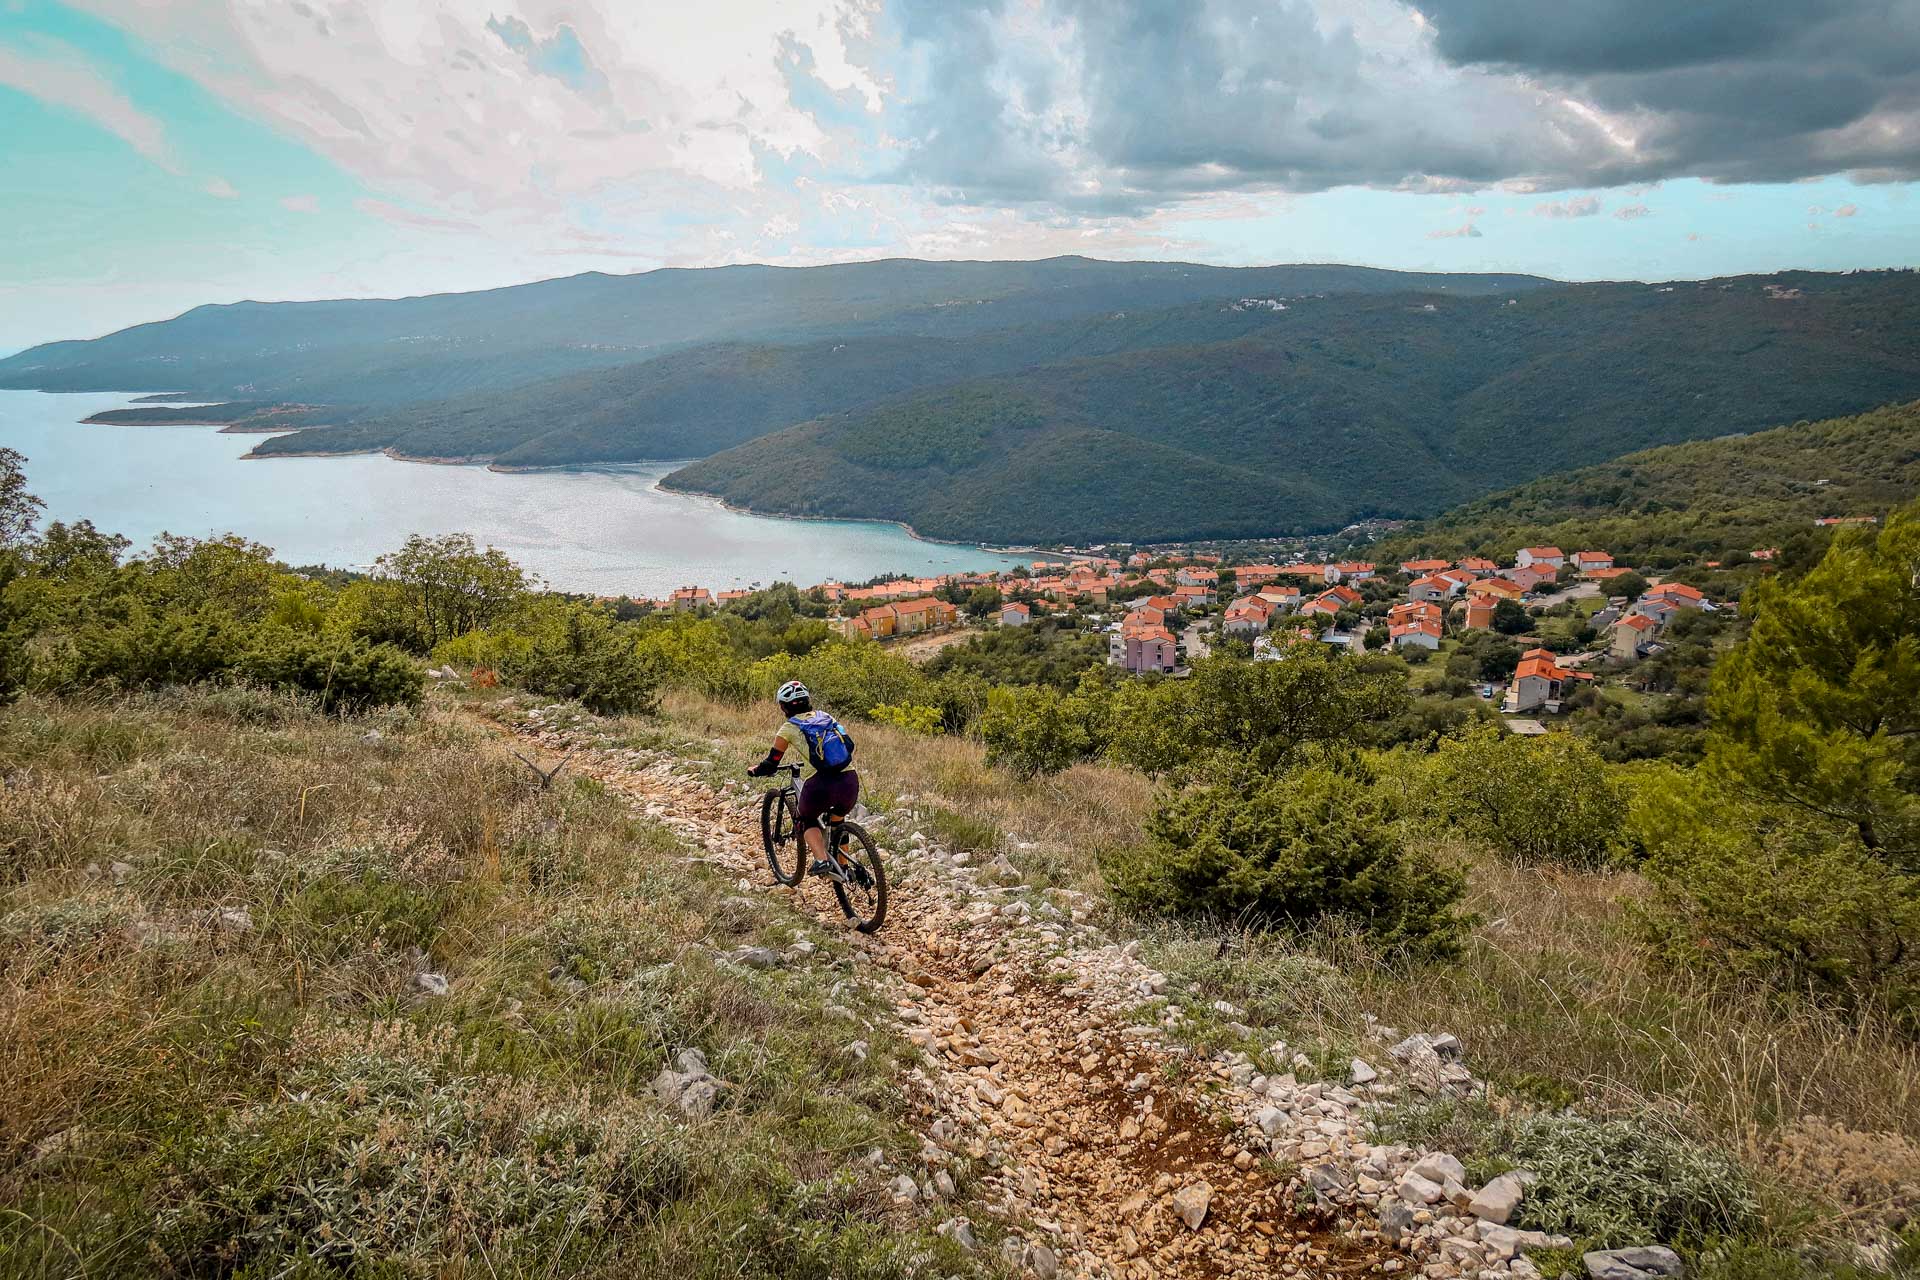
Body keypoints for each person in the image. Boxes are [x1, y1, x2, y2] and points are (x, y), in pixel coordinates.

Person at [746, 680, 859, 879]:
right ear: (807, 700)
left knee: (804, 819)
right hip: (849, 780)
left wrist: (756, 770)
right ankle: (845, 868)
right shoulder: (826, 717)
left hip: (820, 785)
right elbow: (849, 744)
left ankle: (821, 860)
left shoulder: (788, 728)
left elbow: (772, 762)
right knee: (838, 819)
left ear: (783, 706)